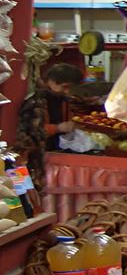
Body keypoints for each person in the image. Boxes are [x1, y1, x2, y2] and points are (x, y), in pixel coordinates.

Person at [14, 63, 84, 192]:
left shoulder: (62, 99)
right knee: (29, 195)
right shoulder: (36, 101)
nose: (67, 91)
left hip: (51, 155)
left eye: (71, 88)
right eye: (65, 87)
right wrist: (58, 128)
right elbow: (32, 133)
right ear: (51, 82)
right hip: (31, 160)